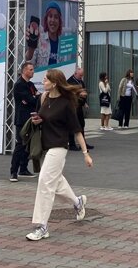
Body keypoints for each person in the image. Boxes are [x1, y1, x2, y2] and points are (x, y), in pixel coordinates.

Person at [25, 69, 93, 241]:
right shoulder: (44, 98)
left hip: (59, 147)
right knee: (56, 183)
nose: (44, 81)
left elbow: (77, 130)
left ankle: (42, 226)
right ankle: (78, 203)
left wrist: (86, 154)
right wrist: (38, 120)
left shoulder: (66, 103)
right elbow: (44, 118)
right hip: (46, 147)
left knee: (44, 182)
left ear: (54, 82)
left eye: (46, 79)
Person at [10, 62, 39, 182]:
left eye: (33, 69)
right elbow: (31, 100)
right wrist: (33, 98)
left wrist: (34, 98)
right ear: (24, 71)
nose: (33, 71)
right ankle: (13, 172)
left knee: (29, 145)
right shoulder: (19, 85)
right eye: (30, 69)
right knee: (20, 145)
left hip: (31, 118)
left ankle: (23, 168)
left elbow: (36, 99)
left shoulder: (31, 84)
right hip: (22, 120)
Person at [24, 2, 64, 67]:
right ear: (46, 19)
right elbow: (29, 63)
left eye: (56, 17)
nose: (53, 20)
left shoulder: (62, 43)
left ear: (59, 21)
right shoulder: (39, 39)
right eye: (50, 16)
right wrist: (31, 48)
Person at [67, 67, 94, 150]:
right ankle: (72, 144)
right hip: (73, 107)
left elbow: (84, 91)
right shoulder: (70, 81)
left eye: (82, 75)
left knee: (81, 124)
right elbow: (69, 93)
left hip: (79, 106)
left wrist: (85, 102)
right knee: (72, 125)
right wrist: (79, 94)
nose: (81, 77)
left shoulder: (81, 81)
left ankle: (83, 143)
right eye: (80, 75)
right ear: (75, 74)